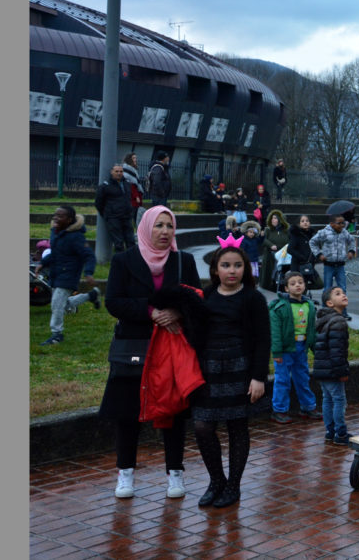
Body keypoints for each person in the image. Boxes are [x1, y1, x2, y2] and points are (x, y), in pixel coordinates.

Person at [98, 205, 199, 499]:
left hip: (171, 347)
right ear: (145, 228)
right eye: (159, 225)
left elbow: (195, 297)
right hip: (134, 347)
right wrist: (151, 311)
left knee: (173, 412)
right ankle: (125, 474)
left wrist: (176, 312)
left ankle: (175, 473)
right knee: (127, 413)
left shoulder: (184, 261)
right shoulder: (123, 261)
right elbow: (114, 302)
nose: (165, 232)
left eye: (169, 226)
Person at [192, 244, 271, 508]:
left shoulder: (253, 298)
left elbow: (263, 340)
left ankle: (233, 486)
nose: (232, 270)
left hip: (240, 369)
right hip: (209, 370)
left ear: (245, 268)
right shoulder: (206, 295)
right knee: (203, 426)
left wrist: (258, 377)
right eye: (225, 265)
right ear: (215, 269)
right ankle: (216, 481)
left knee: (237, 426)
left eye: (237, 265)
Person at [36, 206, 100, 345]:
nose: (56, 218)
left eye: (61, 216)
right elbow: (56, 253)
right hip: (56, 274)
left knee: (56, 304)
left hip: (69, 275)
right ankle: (91, 296)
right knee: (64, 304)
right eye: (56, 215)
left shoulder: (76, 237)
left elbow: (89, 256)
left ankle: (56, 334)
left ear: (69, 220)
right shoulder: (56, 233)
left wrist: (88, 273)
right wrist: (42, 263)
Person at [267, 271, 320, 424]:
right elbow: (275, 332)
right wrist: (276, 351)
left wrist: (315, 348)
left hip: (301, 347)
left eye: (300, 282)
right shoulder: (280, 307)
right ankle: (279, 410)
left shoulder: (309, 305)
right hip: (285, 349)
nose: (297, 285)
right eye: (293, 283)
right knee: (282, 379)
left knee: (303, 377)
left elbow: (312, 329)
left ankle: (308, 406)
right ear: (286, 288)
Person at [314, 286, 352, 444]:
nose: (343, 295)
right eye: (338, 294)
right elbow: (337, 352)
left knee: (327, 399)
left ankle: (330, 431)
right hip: (333, 370)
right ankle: (340, 433)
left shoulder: (325, 320)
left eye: (343, 292)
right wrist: (342, 371)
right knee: (338, 400)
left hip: (322, 369)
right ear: (330, 303)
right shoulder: (338, 321)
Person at [309, 213, 357, 318]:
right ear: (332, 224)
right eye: (339, 223)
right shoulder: (324, 233)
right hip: (329, 265)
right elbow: (312, 242)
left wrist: (351, 251)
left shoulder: (344, 233)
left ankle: (342, 312)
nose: (342, 225)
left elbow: (352, 241)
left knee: (342, 288)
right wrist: (319, 254)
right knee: (327, 288)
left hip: (340, 265)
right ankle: (325, 311)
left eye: (343, 223)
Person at [95, 164, 135, 254]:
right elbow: (98, 203)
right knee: (118, 243)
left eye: (121, 171)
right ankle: (121, 264)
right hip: (114, 218)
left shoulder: (127, 184)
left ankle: (132, 262)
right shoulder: (105, 186)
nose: (119, 173)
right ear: (111, 172)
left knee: (131, 241)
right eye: (116, 171)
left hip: (126, 216)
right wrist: (107, 214)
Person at [288, 214, 320, 292]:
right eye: (302, 221)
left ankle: (304, 289)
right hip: (298, 266)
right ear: (299, 224)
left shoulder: (312, 234)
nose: (305, 223)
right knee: (300, 287)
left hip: (309, 265)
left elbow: (315, 247)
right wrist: (301, 257)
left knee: (319, 284)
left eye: (307, 221)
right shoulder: (295, 234)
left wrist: (314, 258)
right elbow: (290, 249)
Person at [260, 209, 289, 292]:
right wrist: (271, 245)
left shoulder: (286, 230)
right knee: (271, 270)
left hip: (283, 254)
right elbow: (264, 240)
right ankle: (269, 285)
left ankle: (281, 285)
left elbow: (290, 240)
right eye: (272, 218)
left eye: (275, 218)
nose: (273, 220)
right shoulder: (268, 230)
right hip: (270, 254)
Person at [121, 152, 145, 228]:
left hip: (135, 196)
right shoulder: (127, 169)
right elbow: (131, 185)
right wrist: (136, 196)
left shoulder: (132, 169)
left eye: (136, 158)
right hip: (132, 198)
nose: (135, 160)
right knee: (134, 215)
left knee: (137, 215)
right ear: (129, 159)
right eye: (134, 158)